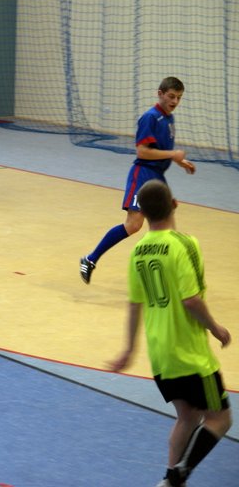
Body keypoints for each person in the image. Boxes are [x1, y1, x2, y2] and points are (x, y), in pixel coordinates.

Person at [107, 180, 232, 487]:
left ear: (144, 214)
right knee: (220, 419)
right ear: (174, 204)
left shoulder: (137, 251)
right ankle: (178, 475)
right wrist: (216, 328)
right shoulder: (184, 244)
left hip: (161, 355)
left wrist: (128, 350)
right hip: (190, 354)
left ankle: (169, 480)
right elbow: (191, 300)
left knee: (187, 417)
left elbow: (134, 304)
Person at [80, 77, 195, 284]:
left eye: (179, 97)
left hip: (158, 177)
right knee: (134, 225)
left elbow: (160, 150)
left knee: (167, 225)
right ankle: (90, 259)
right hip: (143, 175)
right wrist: (173, 154)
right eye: (171, 96)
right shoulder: (149, 118)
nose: (175, 101)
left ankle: (167, 274)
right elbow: (142, 151)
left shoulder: (169, 119)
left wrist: (180, 161)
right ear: (160, 94)